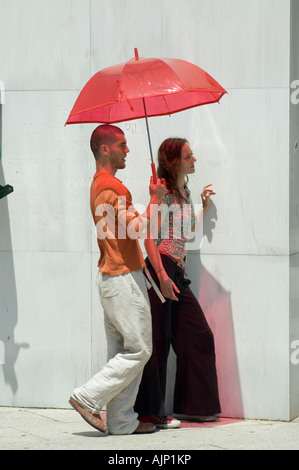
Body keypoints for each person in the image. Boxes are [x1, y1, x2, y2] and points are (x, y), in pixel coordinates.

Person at [69, 124, 166, 435]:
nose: (128, 150)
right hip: (123, 277)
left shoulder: (98, 185)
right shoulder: (113, 187)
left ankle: (122, 421)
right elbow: (136, 230)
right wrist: (155, 199)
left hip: (110, 277)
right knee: (139, 350)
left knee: (122, 352)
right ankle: (87, 397)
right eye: (122, 145)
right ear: (104, 149)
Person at [135, 137, 221, 428]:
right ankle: (151, 412)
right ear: (173, 162)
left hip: (175, 271)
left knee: (196, 336)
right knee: (158, 341)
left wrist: (203, 206)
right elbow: (150, 238)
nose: (194, 159)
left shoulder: (183, 192)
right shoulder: (164, 192)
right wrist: (161, 276)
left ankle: (192, 406)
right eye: (188, 157)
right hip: (161, 269)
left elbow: (184, 231)